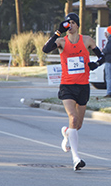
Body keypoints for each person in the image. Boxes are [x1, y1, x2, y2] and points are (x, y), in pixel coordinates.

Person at [42, 12, 104, 171]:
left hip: (83, 86)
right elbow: (45, 49)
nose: (69, 26)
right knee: (73, 117)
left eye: (72, 23)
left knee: (78, 124)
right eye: (67, 24)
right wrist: (58, 31)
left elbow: (102, 57)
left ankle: (66, 133)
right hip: (67, 85)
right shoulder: (61, 41)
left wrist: (95, 65)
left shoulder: (87, 40)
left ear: (77, 25)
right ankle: (76, 158)